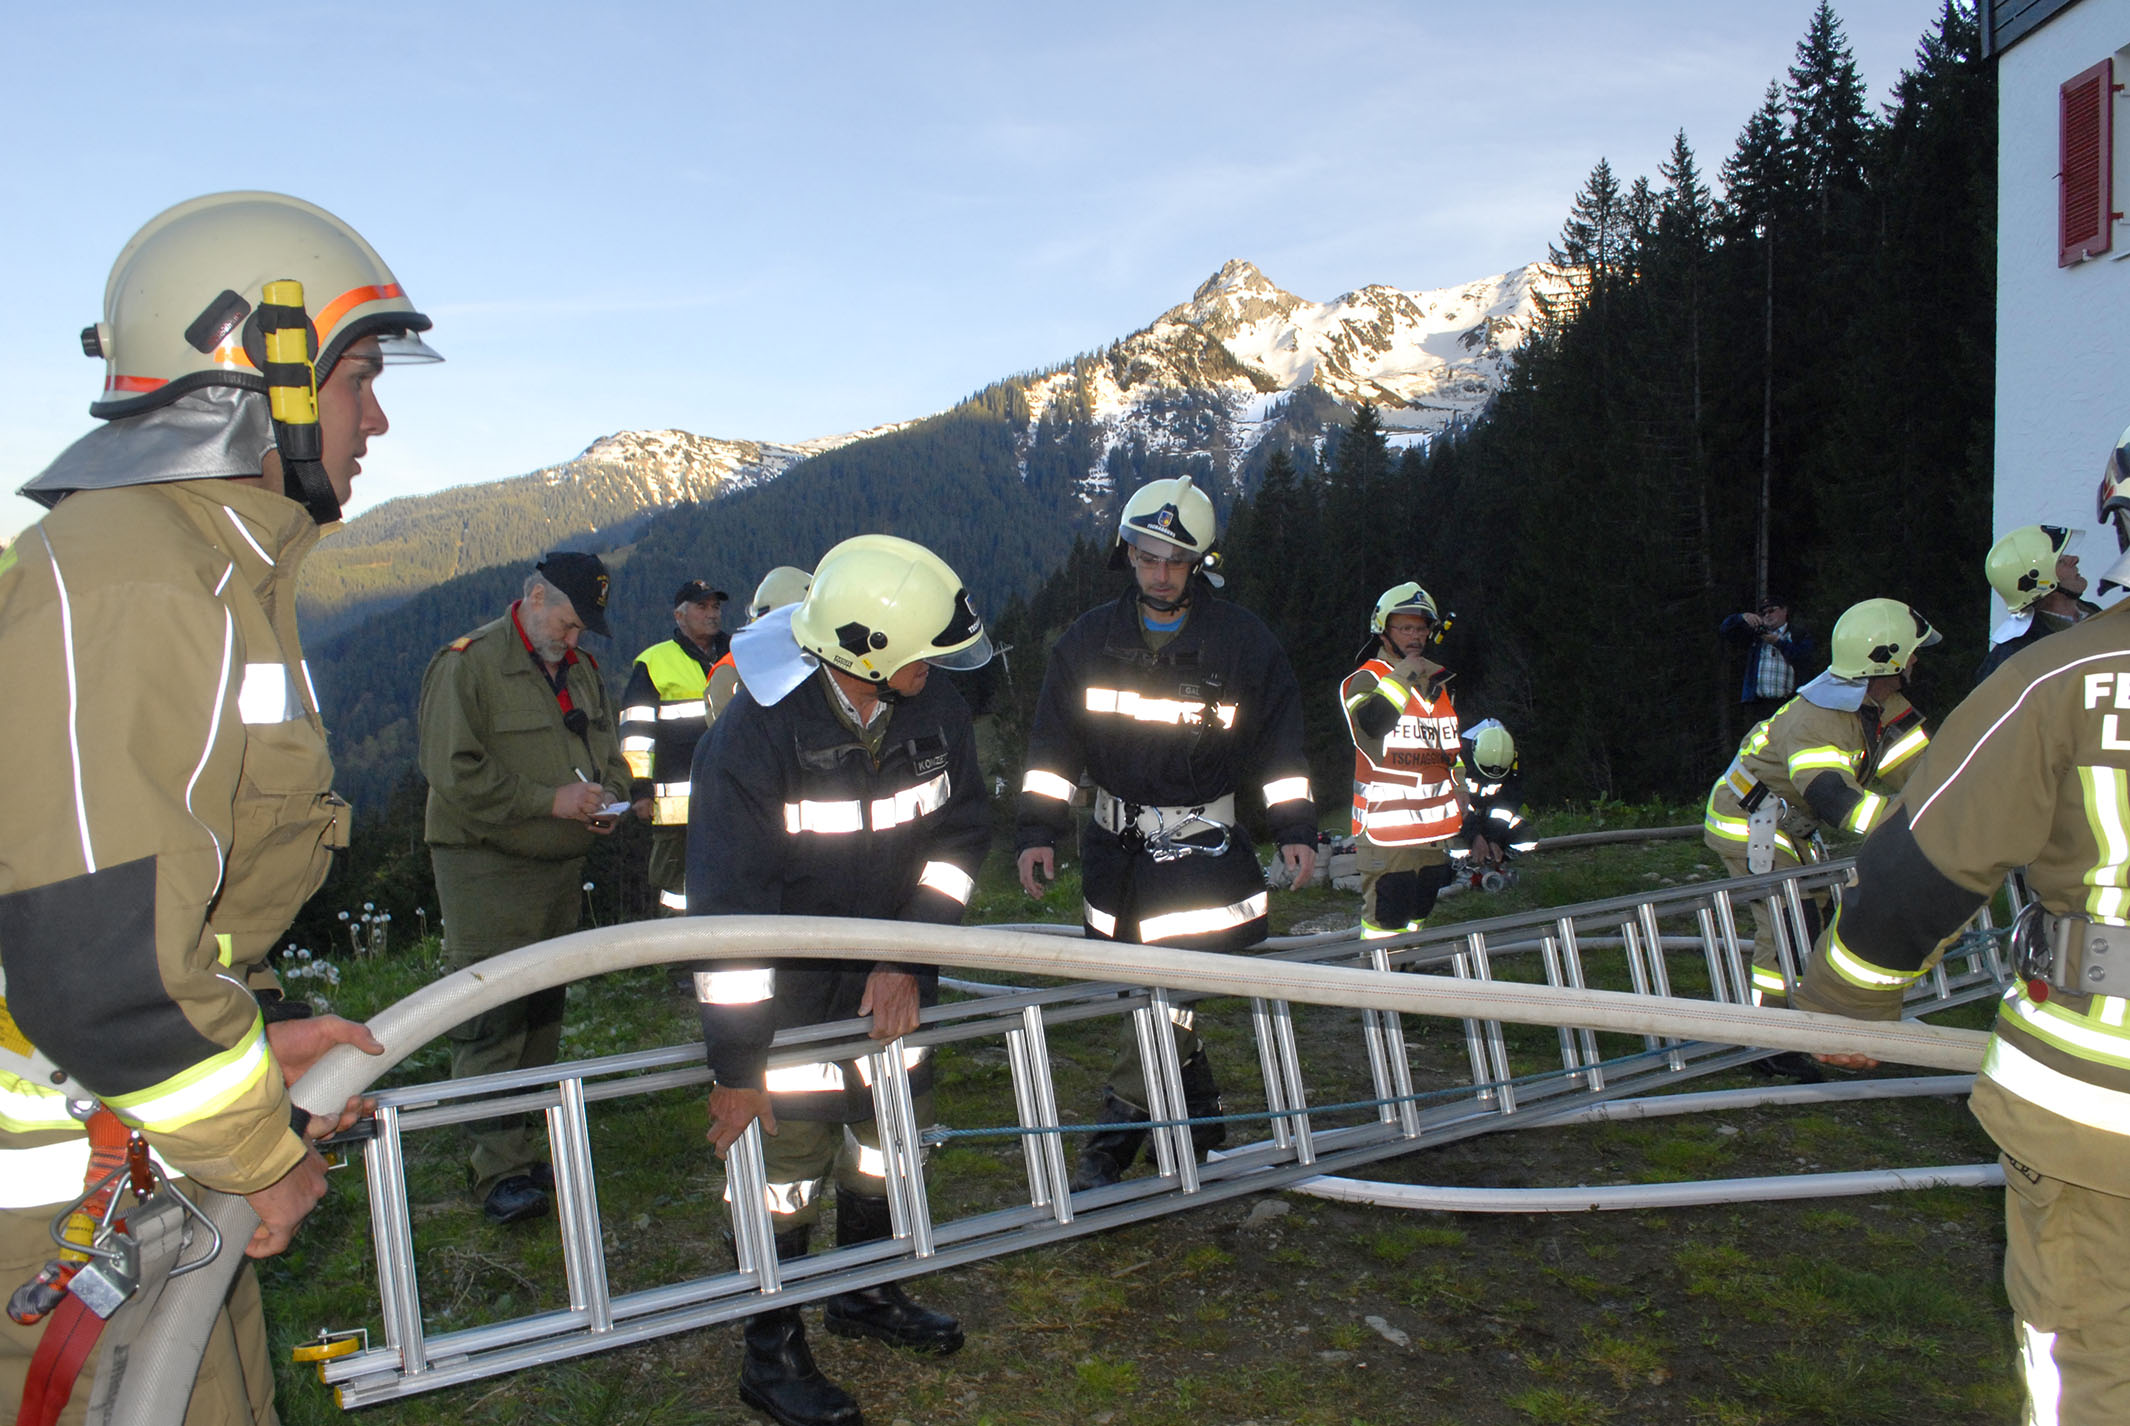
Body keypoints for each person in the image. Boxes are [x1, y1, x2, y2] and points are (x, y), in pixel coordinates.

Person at [0, 191, 421, 1422]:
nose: (378, 418)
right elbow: (99, 959)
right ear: (262, 370)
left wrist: (243, 1037)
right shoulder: (133, 578)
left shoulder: (204, 565)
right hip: (55, 1197)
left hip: (130, 1147)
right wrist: (252, 1147)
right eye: (359, 378)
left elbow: (172, 905)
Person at [1794, 426, 2130, 1425]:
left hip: (2100, 1107)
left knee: (2099, 1369)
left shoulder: (2064, 679)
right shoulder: (1828, 717)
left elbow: (1921, 863)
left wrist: (1845, 1006)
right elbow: (1838, 797)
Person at [688, 534, 992, 1426]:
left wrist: (908, 957)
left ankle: (865, 1292)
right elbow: (729, 921)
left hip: (892, 990)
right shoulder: (754, 738)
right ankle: (770, 1354)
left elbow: (959, 842)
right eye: (921, 654)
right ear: (866, 652)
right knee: (782, 1178)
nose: (935, 668)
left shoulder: (934, 708)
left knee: (888, 1144)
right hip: (784, 1010)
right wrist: (738, 1068)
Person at [1014, 475, 1317, 1191]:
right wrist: (1037, 831)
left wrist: (1295, 826)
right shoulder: (1089, 641)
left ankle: (1114, 1139)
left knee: (1168, 991)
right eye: (1148, 557)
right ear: (1128, 553)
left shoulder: (1242, 644)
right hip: (1113, 858)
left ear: (1199, 564)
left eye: (1176, 561)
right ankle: (1200, 1121)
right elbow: (1053, 746)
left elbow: (1280, 745)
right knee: (1146, 991)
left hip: (1199, 853)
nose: (1160, 574)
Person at [418, 552, 639, 1224]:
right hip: (486, 865)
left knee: (542, 1011)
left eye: (581, 629)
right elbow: (453, 773)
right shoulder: (468, 664)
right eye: (568, 623)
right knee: (492, 1013)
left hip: (558, 866)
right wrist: (550, 801)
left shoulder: (582, 670)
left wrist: (608, 798)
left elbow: (610, 753)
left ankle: (522, 1146)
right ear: (535, 596)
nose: (572, 638)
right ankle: (495, 1170)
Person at [1702, 598, 1937, 1025]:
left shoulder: (1881, 707)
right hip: (1748, 820)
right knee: (1789, 928)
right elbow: (1836, 799)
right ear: (1887, 658)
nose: (1917, 660)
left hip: (1786, 824)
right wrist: (1910, 828)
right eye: (1912, 651)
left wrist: (1958, 804)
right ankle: (1774, 1036)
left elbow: (1928, 771)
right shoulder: (1818, 719)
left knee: (1817, 918)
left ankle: (1812, 1019)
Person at [1339, 583, 1465, 936]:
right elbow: (1373, 723)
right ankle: (1377, 973)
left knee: (1416, 923)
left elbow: (1449, 749)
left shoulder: (1439, 684)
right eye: (1405, 628)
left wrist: (1461, 786)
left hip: (1434, 832)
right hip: (1387, 831)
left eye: (1421, 628)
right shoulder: (1365, 679)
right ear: (1383, 630)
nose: (1415, 636)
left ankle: (1409, 968)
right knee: (1385, 925)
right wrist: (1406, 673)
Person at [620, 580, 732, 914]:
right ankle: (676, 947)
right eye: (702, 607)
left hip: (733, 798)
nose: (712, 614)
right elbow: (636, 735)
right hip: (675, 810)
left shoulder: (739, 654)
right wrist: (639, 790)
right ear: (679, 616)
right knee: (677, 892)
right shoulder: (655, 662)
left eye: (716, 606)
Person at [1978, 523, 2097, 684]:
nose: (2074, 559)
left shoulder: (2098, 615)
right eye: (2061, 561)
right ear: (2037, 580)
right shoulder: (2017, 654)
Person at [1455, 718, 1534, 887]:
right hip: (1459, 820)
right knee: (1454, 847)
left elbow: (1506, 806)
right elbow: (1455, 805)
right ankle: (1461, 867)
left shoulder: (1511, 760)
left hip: (1489, 820)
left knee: (1528, 837)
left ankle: (1495, 862)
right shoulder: (1456, 757)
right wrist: (1475, 837)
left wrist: (1495, 838)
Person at [1720, 598, 1812, 725]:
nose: (1767, 615)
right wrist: (1742, 617)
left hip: (1789, 703)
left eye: (1771, 611)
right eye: (1763, 613)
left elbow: (1803, 657)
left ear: (1784, 611)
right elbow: (1725, 629)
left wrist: (1778, 642)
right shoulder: (1755, 635)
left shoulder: (1797, 634)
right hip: (1759, 705)